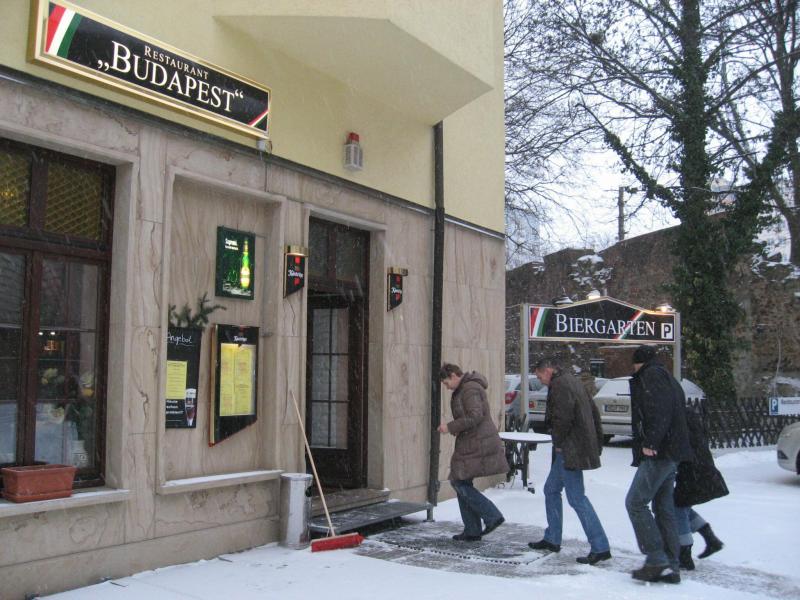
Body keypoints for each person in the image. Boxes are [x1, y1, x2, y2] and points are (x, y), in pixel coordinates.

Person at [527, 358, 612, 565]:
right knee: (551, 489)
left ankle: (600, 546)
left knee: (577, 498)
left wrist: (558, 441)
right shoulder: (572, 381)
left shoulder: (560, 385)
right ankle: (552, 538)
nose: (540, 381)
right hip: (574, 446)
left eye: (539, 376)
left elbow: (563, 418)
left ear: (548, 370)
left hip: (570, 449)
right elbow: (593, 412)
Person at [626, 345, 693, 584]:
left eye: (633, 364)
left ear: (639, 363)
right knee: (664, 508)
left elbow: (660, 411)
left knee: (635, 503)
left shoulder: (651, 376)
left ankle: (656, 559)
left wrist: (651, 442)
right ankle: (671, 566)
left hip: (660, 452)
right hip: (672, 452)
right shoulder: (667, 376)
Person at [438, 362, 508, 541]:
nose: (446, 387)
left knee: (458, 481)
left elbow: (475, 416)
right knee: (461, 481)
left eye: (446, 383)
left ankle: (491, 515)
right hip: (472, 441)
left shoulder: (469, 389)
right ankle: (472, 530)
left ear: (454, 375)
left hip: (477, 442)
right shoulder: (466, 388)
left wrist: (450, 427)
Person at [674, 394, 728, 569]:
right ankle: (710, 538)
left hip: (691, 469)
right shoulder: (689, 413)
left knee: (678, 506)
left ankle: (685, 555)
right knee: (682, 505)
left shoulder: (678, 417)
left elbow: (679, 443)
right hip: (699, 465)